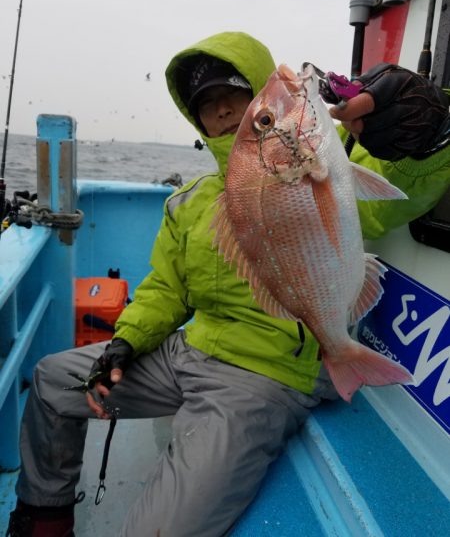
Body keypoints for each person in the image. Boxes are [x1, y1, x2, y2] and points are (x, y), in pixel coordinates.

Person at [6, 31, 450, 537]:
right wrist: (125, 342)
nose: (219, 112)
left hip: (263, 375)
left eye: (234, 97)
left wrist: (432, 136)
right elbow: (165, 289)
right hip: (190, 350)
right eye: (205, 105)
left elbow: (401, 189)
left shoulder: (321, 171)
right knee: (50, 381)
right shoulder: (189, 202)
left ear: (258, 94)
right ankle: (44, 518)